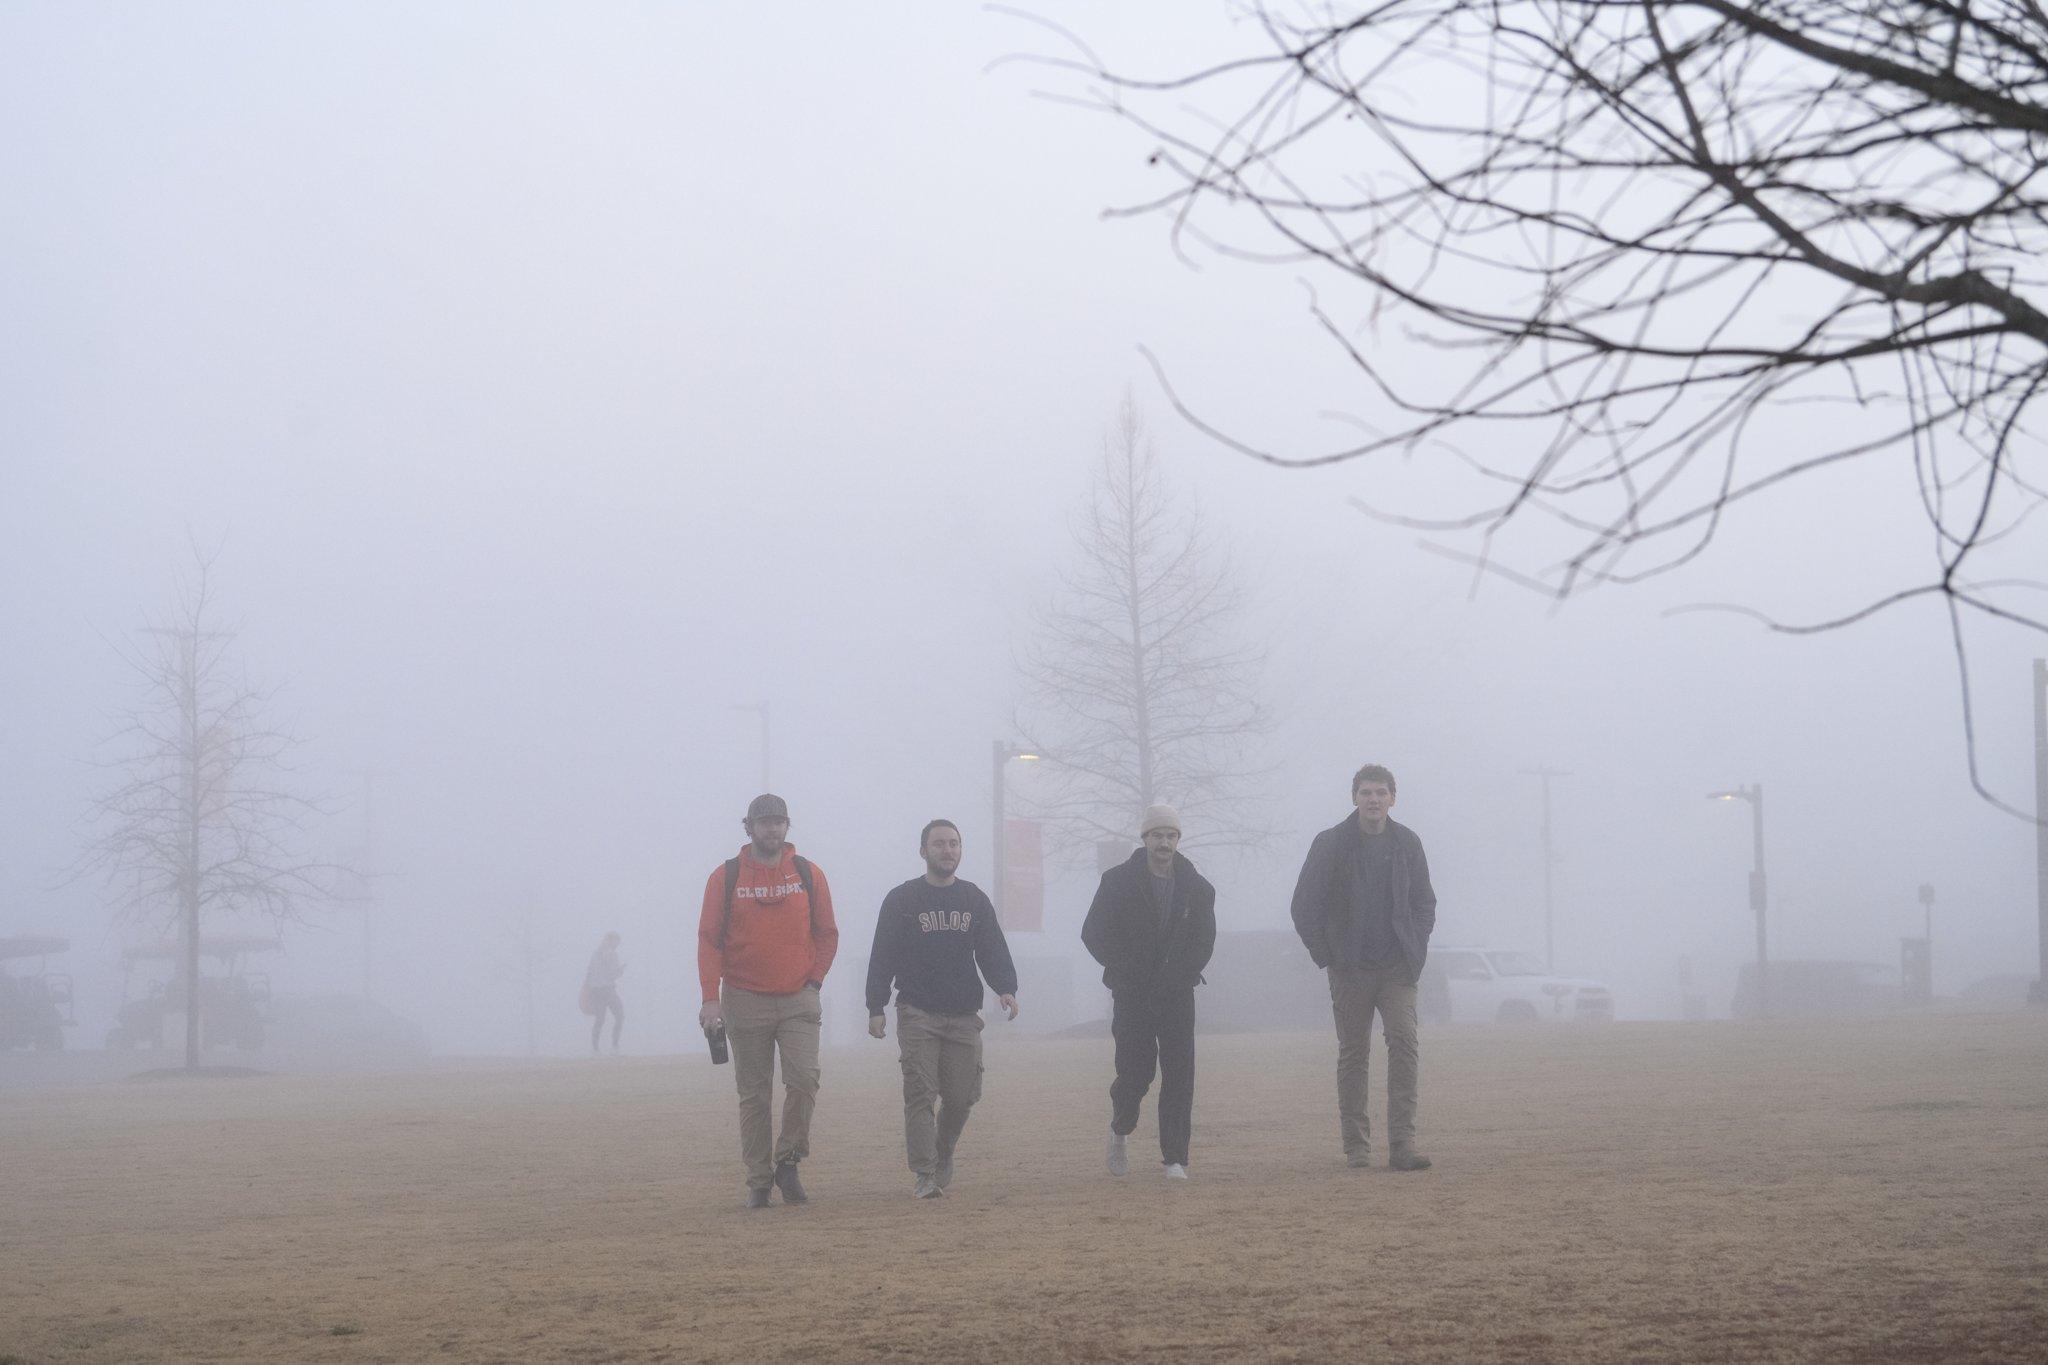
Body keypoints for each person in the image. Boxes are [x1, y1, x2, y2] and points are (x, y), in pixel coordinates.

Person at [1289, 763, 1438, 1172]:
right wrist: (1328, 956)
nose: (1374, 799)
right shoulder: (1331, 844)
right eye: (1366, 792)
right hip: (1349, 968)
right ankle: (1357, 1148)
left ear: (1393, 798)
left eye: (1381, 792)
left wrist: (1416, 945)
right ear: (1354, 797)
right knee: (1353, 1054)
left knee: (1404, 1044)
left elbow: (1424, 902)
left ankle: (1402, 1145)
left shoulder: (1408, 843)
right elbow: (1304, 906)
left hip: (1397, 968)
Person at [697, 793, 839, 1209]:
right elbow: (709, 941)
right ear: (748, 827)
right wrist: (710, 999)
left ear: (787, 825)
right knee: (754, 1094)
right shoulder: (724, 878)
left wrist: (814, 982)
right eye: (764, 822)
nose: (771, 829)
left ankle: (789, 1161)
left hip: (799, 998)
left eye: (778, 821)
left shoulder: (809, 874)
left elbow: (827, 932)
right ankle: (758, 1180)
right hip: (743, 998)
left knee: (804, 1080)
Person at [865, 819, 1020, 1200]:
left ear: (961, 850)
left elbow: (991, 948)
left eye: (953, 843)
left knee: (963, 1095)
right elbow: (882, 955)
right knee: (921, 1092)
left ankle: (943, 1149)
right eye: (939, 844)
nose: (947, 850)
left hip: (965, 1013)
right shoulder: (902, 901)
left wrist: (1006, 988)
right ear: (923, 851)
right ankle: (924, 1173)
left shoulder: (973, 899)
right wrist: (876, 1006)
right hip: (917, 1012)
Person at [1080, 804, 1215, 1181]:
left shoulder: (1199, 889)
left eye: (1171, 836)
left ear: (1178, 841)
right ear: (1145, 839)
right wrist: (1125, 969)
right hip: (1132, 994)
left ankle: (1176, 1159)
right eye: (1157, 835)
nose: (1164, 842)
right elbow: (1093, 933)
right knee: (1135, 1073)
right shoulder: (1117, 882)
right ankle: (1120, 1127)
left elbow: (1204, 941)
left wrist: (1182, 974)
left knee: (1179, 1075)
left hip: (1176, 995)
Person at [583, 931, 625, 1055]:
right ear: (612, 941)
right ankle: (615, 1046)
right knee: (620, 1016)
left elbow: (590, 972)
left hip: (596, 991)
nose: (618, 945)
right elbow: (612, 974)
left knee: (600, 1019)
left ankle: (595, 1049)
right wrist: (621, 971)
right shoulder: (612, 954)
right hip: (608, 990)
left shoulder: (595, 954)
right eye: (617, 942)